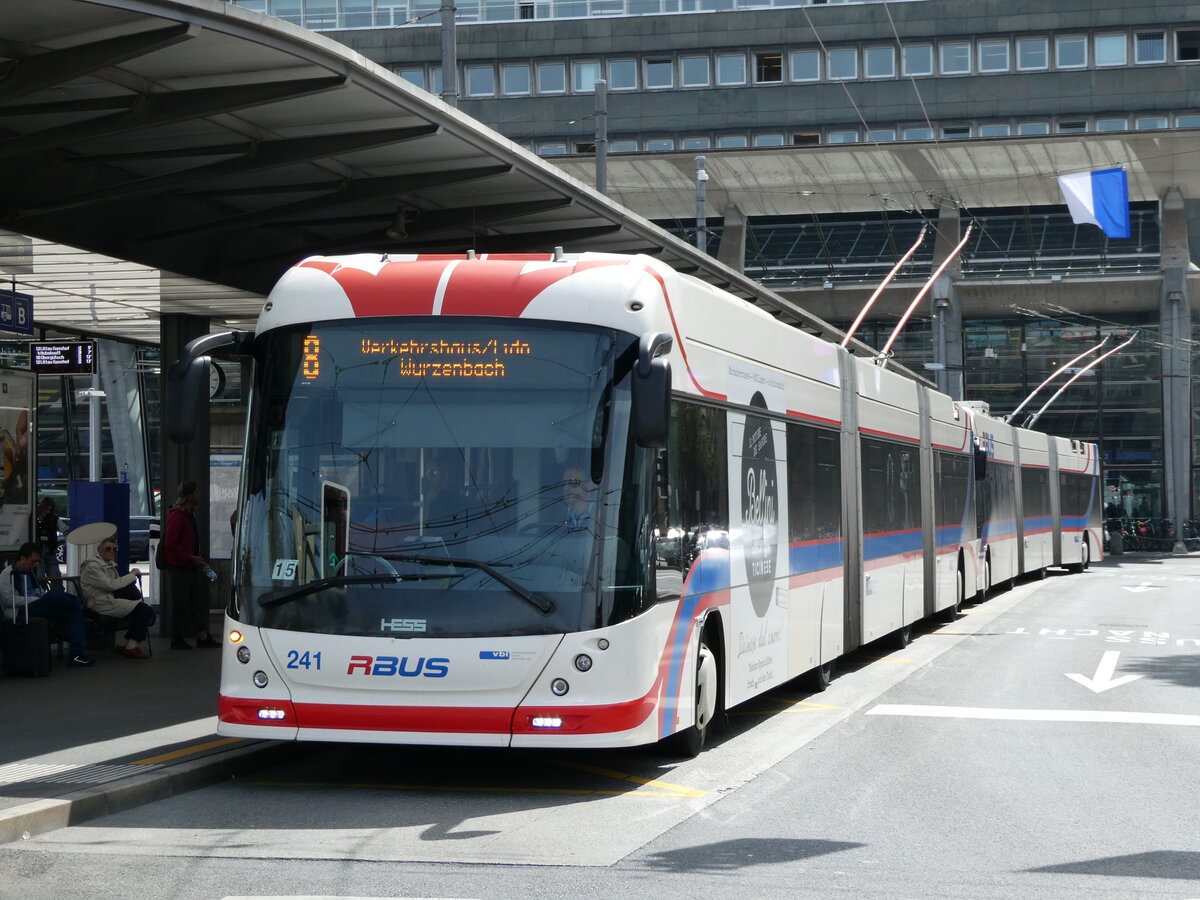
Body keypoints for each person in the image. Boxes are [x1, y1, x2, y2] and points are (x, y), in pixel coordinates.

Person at [0, 542, 95, 667]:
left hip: (36, 605)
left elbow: (38, 591)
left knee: (72, 613)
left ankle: (77, 656)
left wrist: (40, 598)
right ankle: (83, 608)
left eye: (37, 562)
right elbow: (8, 600)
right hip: (19, 611)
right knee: (53, 594)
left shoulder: (30, 573)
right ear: (23, 558)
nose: (35, 565)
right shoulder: (7, 574)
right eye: (33, 561)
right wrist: (37, 599)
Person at [163, 480, 219, 650]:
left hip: (190, 565)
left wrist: (193, 558)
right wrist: (190, 557)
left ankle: (202, 636)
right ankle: (177, 639)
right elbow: (170, 544)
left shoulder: (188, 514)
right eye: (196, 493)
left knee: (196, 602)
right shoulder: (178, 516)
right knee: (181, 604)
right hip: (180, 567)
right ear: (189, 496)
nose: (199, 495)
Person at [79, 537, 155, 659]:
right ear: (100, 550)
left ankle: (128, 645)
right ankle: (131, 646)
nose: (111, 551)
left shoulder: (108, 565)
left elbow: (115, 583)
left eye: (114, 549)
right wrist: (132, 575)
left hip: (108, 600)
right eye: (108, 548)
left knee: (140, 609)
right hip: (101, 603)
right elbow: (111, 585)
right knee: (144, 610)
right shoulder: (92, 567)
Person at [35, 497, 62, 586]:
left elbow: (65, 529)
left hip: (48, 551)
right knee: (41, 578)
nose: (48, 512)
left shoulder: (53, 519)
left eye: (49, 510)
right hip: (40, 552)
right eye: (46, 509)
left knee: (54, 578)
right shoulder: (36, 518)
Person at [562, 466, 595, 531]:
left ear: (588, 486)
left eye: (573, 483)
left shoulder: (602, 511)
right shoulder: (555, 515)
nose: (566, 488)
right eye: (563, 484)